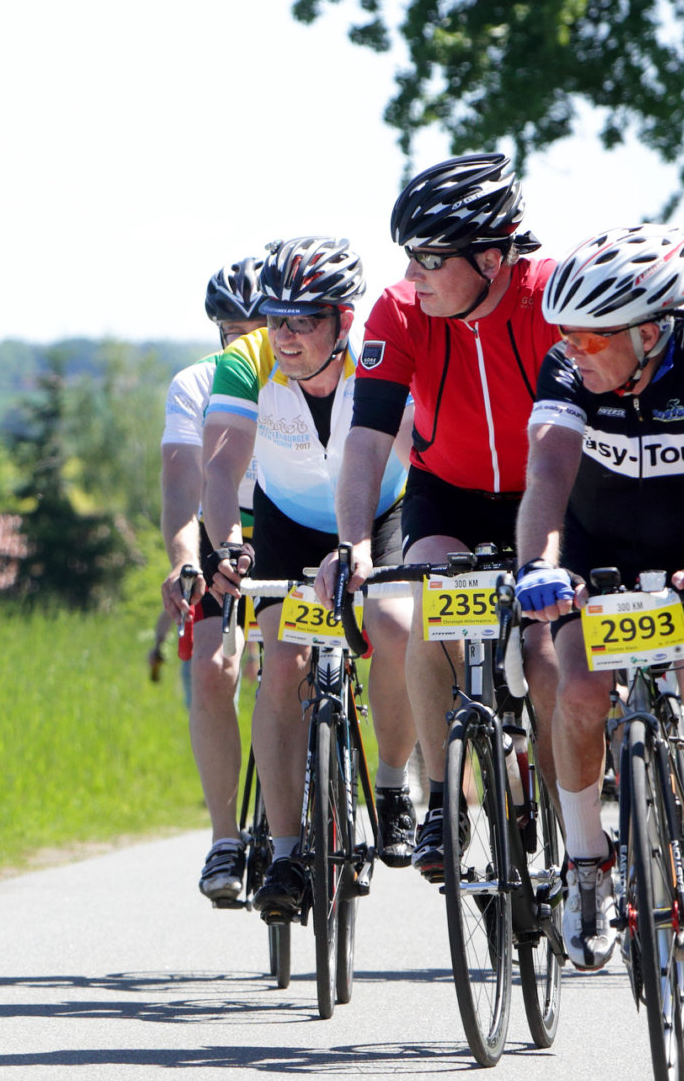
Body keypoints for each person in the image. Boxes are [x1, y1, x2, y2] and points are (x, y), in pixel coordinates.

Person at [514, 225, 684, 966]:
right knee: (582, 688)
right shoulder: (567, 368)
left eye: (592, 338)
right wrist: (538, 565)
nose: (573, 349)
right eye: (566, 334)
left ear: (650, 331)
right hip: (597, 557)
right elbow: (548, 477)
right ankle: (587, 865)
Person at [324, 153, 562, 884]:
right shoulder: (399, 312)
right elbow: (365, 438)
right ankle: (440, 802)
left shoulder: (550, 295)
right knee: (437, 610)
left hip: (546, 494)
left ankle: (568, 815)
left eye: (431, 258)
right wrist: (354, 541)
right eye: (410, 258)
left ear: (493, 258)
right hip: (447, 492)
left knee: (551, 654)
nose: (415, 274)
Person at [204, 237, 417, 921]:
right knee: (284, 665)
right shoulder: (249, 361)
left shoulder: (377, 357)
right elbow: (221, 465)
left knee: (389, 626)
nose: (286, 336)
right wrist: (226, 544)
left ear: (343, 322)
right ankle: (290, 852)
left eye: (304, 321)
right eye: (276, 319)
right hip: (288, 521)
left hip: (379, 509)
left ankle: (391, 785)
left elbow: (425, 452)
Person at [160, 257, 266, 897]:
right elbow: (180, 491)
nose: (245, 342)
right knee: (211, 666)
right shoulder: (196, 385)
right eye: (232, 330)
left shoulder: (297, 369)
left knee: (295, 664)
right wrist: (183, 561)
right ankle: (226, 838)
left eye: (257, 326)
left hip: (286, 527)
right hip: (217, 528)